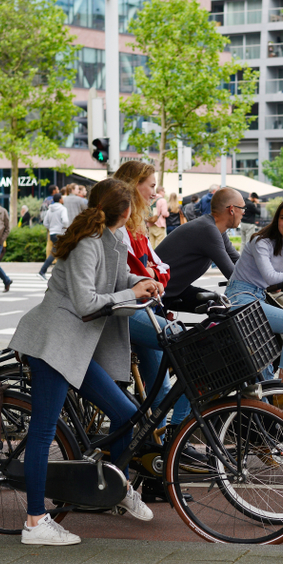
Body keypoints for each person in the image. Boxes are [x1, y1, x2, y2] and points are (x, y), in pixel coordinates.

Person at [10, 178, 158, 546]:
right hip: (54, 343)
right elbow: (86, 302)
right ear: (124, 212)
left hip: (76, 347)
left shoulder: (112, 238)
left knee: (128, 417)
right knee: (44, 431)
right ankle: (34, 523)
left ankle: (114, 487)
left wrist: (141, 280)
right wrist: (131, 291)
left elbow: (118, 277)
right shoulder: (87, 245)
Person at [112, 162, 181, 425]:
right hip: (130, 309)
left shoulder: (139, 224)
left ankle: (157, 445)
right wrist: (152, 274)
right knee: (180, 348)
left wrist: (153, 274)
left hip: (142, 306)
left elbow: (161, 268)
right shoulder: (121, 227)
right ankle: (162, 444)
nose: (155, 193)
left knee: (159, 387)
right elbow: (143, 272)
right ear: (132, 185)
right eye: (151, 186)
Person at [226, 198, 283, 384]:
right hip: (241, 298)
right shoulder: (261, 242)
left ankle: (274, 399)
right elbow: (271, 277)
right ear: (276, 220)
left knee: (265, 368)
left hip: (258, 298)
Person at [156, 187, 242, 312]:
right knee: (221, 308)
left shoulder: (216, 230)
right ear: (232, 210)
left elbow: (238, 261)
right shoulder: (208, 230)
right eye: (243, 208)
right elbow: (233, 275)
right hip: (156, 294)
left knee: (218, 306)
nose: (244, 212)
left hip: (174, 289)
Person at [39, 193, 68, 280]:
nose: (63, 200)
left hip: (52, 233)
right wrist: (64, 229)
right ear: (60, 200)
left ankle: (60, 273)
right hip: (60, 234)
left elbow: (45, 223)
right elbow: (65, 221)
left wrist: (51, 228)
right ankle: (42, 271)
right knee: (59, 253)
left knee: (59, 253)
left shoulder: (49, 209)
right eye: (62, 198)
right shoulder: (62, 209)